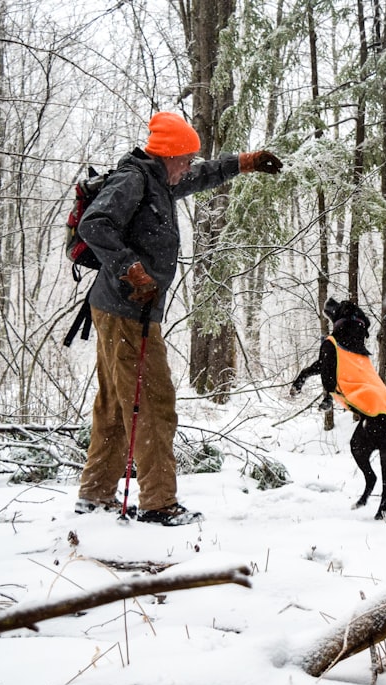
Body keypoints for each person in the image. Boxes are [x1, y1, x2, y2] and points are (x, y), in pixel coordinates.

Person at [74, 111, 283, 525]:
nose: (188, 166)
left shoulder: (161, 180)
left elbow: (201, 175)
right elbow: (93, 225)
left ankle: (95, 494)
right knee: (153, 403)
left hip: (126, 310)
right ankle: (158, 503)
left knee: (117, 404)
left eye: (190, 159)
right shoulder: (134, 180)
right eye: (185, 158)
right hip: (126, 309)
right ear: (168, 155)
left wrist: (244, 162)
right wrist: (130, 268)